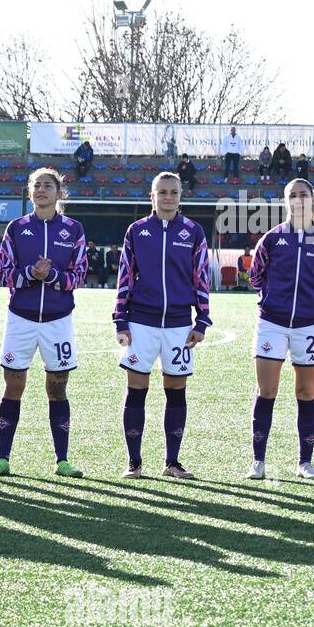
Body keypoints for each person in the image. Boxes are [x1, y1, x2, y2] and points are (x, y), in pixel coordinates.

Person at [0, 168, 88, 478]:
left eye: (48, 186)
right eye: (37, 186)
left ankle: (62, 461)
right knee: (13, 385)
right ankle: (3, 458)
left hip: (58, 321)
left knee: (57, 389)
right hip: (21, 319)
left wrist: (53, 276)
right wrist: (32, 273)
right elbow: (3, 274)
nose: (42, 190)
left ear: (59, 193)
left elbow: (80, 275)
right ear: (29, 193)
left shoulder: (73, 229)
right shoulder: (16, 229)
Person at [113, 172, 211, 479]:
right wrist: (121, 318)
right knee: (136, 390)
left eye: (173, 192)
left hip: (180, 325)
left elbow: (201, 278)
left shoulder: (193, 231)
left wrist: (203, 319)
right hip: (141, 322)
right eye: (162, 192)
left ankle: (172, 462)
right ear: (151, 196)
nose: (168, 197)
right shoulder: (137, 230)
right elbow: (125, 276)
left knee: (176, 390)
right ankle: (134, 463)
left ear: (181, 196)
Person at [246, 179, 314, 480]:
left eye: (304, 195)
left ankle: (305, 463)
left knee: (306, 391)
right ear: (285, 202)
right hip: (272, 323)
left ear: (313, 200)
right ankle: (258, 462)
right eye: (292, 196)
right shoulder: (272, 239)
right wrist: (272, 301)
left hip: (308, 325)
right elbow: (255, 275)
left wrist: (311, 303)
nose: (298, 200)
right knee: (267, 390)